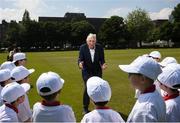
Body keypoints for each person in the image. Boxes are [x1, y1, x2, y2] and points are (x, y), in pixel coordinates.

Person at [119, 56, 166, 122]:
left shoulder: (144, 110)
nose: (128, 77)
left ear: (142, 79)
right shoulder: (154, 94)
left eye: (130, 74)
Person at [78, 33, 107, 114]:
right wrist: (80, 63)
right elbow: (80, 59)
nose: (91, 43)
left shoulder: (100, 47)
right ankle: (85, 108)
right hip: (86, 71)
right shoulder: (83, 47)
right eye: (90, 41)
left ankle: (99, 107)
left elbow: (102, 59)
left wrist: (103, 64)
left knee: (98, 88)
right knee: (88, 88)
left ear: (95, 41)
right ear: (87, 41)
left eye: (93, 41)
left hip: (97, 71)